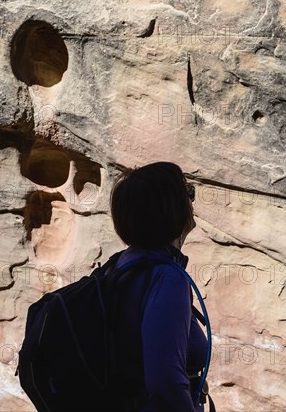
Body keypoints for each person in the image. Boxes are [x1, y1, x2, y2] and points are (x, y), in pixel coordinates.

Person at [110, 161, 208, 411]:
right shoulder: (166, 277)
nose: (192, 201)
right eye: (188, 193)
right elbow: (166, 386)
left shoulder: (122, 264)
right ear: (172, 207)